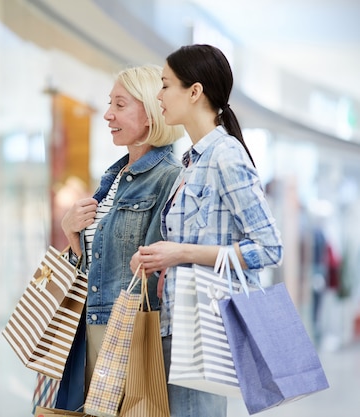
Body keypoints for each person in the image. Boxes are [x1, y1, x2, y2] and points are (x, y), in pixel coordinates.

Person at [130, 44, 284, 417]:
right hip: (177, 323)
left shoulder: (226, 156)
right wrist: (160, 257)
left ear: (194, 91)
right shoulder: (192, 162)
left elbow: (268, 248)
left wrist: (180, 253)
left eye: (165, 85)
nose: (159, 95)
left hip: (204, 332)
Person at [54, 64, 184, 410]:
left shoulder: (170, 179)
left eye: (120, 105)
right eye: (109, 104)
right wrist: (71, 233)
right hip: (89, 328)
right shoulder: (111, 179)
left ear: (150, 113)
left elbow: (157, 271)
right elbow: (91, 266)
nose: (108, 114)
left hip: (130, 333)